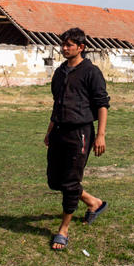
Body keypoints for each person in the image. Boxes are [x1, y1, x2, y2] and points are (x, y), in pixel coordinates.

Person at [44, 27, 110, 251]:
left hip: (80, 132)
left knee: (70, 182)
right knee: (55, 181)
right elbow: (58, 102)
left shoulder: (91, 72)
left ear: (81, 47)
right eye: (63, 44)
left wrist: (100, 135)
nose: (64, 48)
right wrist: (50, 129)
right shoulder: (61, 72)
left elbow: (102, 104)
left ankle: (63, 230)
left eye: (69, 45)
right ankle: (94, 202)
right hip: (59, 131)